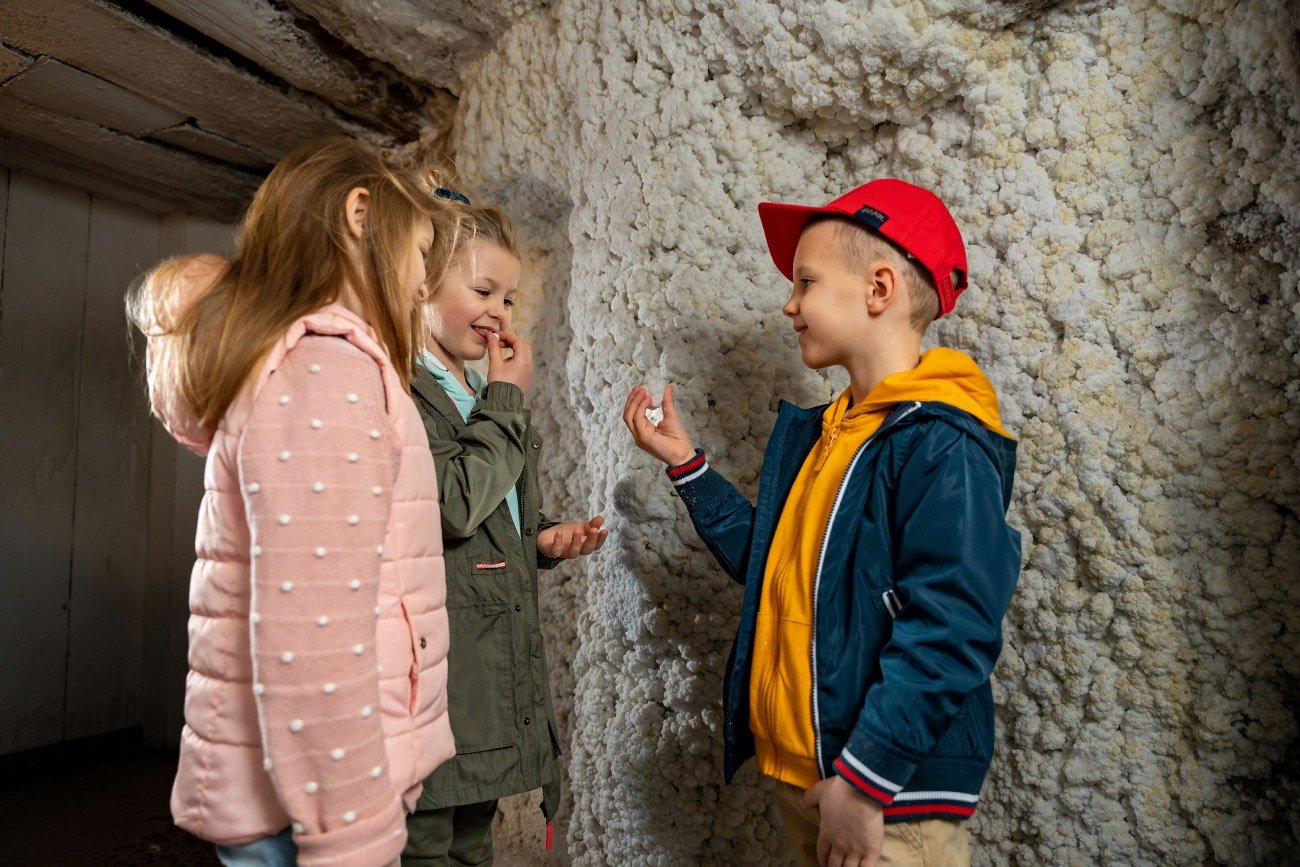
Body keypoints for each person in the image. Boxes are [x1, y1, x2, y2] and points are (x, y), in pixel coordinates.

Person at [624, 179, 1022, 867]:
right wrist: (688, 465)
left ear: (878, 289)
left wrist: (867, 782)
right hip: (815, 784)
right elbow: (775, 571)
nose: (789, 302)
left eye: (805, 280)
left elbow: (953, 625)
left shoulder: (942, 441)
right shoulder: (830, 436)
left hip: (886, 803)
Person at [129, 137, 460, 867]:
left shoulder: (306, 365)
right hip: (314, 813)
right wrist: (353, 837)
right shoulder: (326, 371)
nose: (419, 285)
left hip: (293, 800)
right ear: (359, 214)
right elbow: (313, 639)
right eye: (419, 255)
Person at [402, 193, 607, 866]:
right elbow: (454, 503)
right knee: (426, 837)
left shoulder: (473, 388)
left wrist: (540, 538)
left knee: (473, 833)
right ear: (423, 283)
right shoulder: (408, 390)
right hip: (443, 667)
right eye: (483, 289)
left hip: (488, 666)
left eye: (509, 297)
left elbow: (489, 507)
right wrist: (508, 397)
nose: (498, 310)